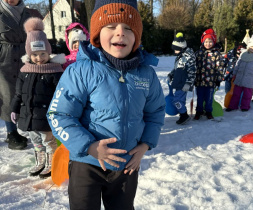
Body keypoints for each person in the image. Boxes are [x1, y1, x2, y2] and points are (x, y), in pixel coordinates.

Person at [46, 0, 165, 209]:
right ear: (96, 35)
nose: (120, 33)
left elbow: (155, 112)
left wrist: (146, 144)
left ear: (136, 36)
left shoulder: (146, 75)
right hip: (87, 163)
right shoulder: (81, 71)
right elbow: (59, 115)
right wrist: (89, 146)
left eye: (128, 28)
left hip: (126, 165)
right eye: (111, 27)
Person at [10, 18, 65, 177]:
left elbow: (61, 95)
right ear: (29, 54)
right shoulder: (25, 71)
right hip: (29, 115)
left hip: (47, 116)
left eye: (42, 53)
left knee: (48, 141)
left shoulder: (55, 71)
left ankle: (51, 162)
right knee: (36, 141)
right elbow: (19, 93)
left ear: (48, 52)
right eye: (34, 54)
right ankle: (40, 161)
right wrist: (14, 108)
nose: (39, 58)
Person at [0, 0, 42, 149]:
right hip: (4, 60)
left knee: (26, 91)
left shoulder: (27, 13)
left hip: (25, 58)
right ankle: (11, 134)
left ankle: (29, 126)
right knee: (7, 95)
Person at [226, 34, 253, 112]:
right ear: (248, 47)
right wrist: (234, 74)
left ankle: (245, 106)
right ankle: (233, 106)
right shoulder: (243, 55)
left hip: (250, 79)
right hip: (239, 78)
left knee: (247, 95)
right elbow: (237, 65)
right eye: (251, 46)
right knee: (236, 93)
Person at [194, 28, 224, 120]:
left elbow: (220, 68)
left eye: (210, 41)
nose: (208, 44)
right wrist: (192, 77)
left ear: (214, 42)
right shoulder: (198, 53)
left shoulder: (217, 54)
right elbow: (193, 66)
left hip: (211, 81)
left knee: (209, 98)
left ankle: (208, 111)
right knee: (199, 98)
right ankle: (199, 111)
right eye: (206, 41)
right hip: (199, 81)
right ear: (203, 41)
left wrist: (218, 80)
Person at [167, 32, 196, 125]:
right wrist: (171, 74)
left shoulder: (189, 57)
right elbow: (177, 68)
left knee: (177, 100)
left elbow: (192, 71)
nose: (174, 51)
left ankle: (184, 115)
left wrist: (189, 83)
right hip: (179, 82)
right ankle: (182, 114)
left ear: (181, 48)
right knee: (180, 100)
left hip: (184, 83)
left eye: (176, 49)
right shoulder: (180, 56)